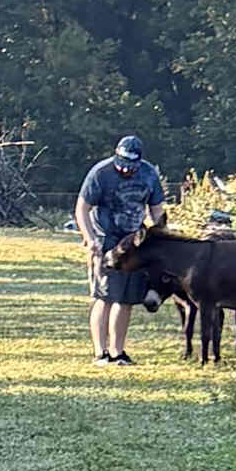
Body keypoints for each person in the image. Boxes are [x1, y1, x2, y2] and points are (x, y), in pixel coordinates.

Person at [73, 134, 168, 367]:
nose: (126, 171)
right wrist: (90, 238)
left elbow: (156, 211)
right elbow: (82, 209)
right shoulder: (101, 173)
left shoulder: (148, 174)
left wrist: (161, 237)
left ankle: (118, 352)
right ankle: (100, 352)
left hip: (134, 243)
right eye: (122, 166)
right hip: (106, 240)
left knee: (126, 299)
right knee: (104, 296)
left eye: (131, 167)